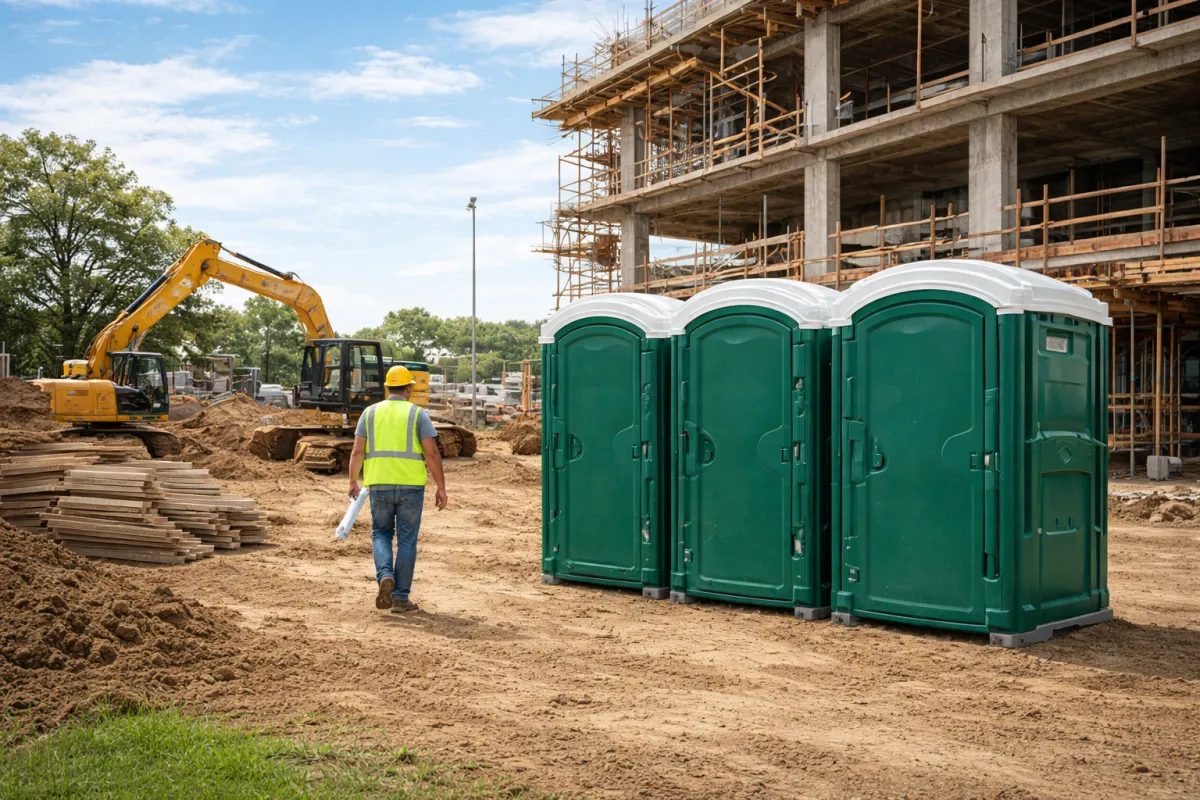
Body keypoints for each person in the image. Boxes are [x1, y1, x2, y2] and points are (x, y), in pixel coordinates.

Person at [347, 365, 448, 613]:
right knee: (406, 540)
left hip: (378, 484)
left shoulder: (369, 414)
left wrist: (352, 481)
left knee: (381, 534)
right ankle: (401, 598)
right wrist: (441, 487)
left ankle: (384, 577)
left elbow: (357, 451)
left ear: (386, 388)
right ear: (409, 388)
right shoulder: (418, 414)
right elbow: (431, 453)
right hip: (410, 486)